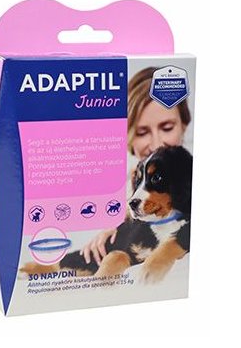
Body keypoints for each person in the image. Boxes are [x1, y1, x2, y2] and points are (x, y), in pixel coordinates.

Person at [80, 67, 192, 264]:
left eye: (167, 128)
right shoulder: (117, 185)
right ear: (128, 137)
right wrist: (115, 226)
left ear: (184, 124)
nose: (156, 144)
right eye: (142, 133)